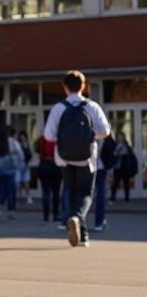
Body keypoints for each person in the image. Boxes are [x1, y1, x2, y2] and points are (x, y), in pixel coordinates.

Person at [43, 70, 110, 248]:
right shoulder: (92, 106)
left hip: (64, 158)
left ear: (65, 87)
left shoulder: (59, 108)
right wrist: (88, 135)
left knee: (71, 192)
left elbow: (48, 135)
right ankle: (78, 219)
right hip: (87, 158)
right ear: (83, 86)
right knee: (86, 193)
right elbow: (105, 131)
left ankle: (82, 234)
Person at [0, 126, 23, 220]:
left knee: (2, 191)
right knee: (11, 192)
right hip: (10, 170)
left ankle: (0, 210)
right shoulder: (13, 142)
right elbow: (21, 155)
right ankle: (11, 211)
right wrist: (17, 164)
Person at [34, 132, 62, 225]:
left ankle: (46, 216)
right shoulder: (57, 137)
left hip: (44, 165)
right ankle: (55, 214)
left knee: (46, 193)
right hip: (55, 165)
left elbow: (37, 149)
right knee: (56, 192)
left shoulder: (42, 138)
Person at [92, 132, 117, 233]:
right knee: (100, 196)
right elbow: (112, 153)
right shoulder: (105, 135)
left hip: (93, 168)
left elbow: (111, 153)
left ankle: (99, 221)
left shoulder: (89, 131)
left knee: (87, 196)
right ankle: (99, 222)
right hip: (99, 168)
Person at [111, 131, 136, 203]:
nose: (120, 138)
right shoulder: (115, 145)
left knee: (126, 183)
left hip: (125, 167)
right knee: (115, 183)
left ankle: (127, 199)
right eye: (119, 136)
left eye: (121, 136)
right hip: (117, 167)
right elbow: (113, 154)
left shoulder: (127, 145)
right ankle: (112, 198)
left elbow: (129, 154)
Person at [16, 130, 34, 204]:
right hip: (19, 165)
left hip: (25, 165)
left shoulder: (27, 145)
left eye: (24, 137)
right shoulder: (17, 145)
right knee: (18, 182)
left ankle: (28, 197)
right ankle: (18, 197)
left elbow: (30, 155)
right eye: (21, 137)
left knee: (26, 182)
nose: (23, 138)